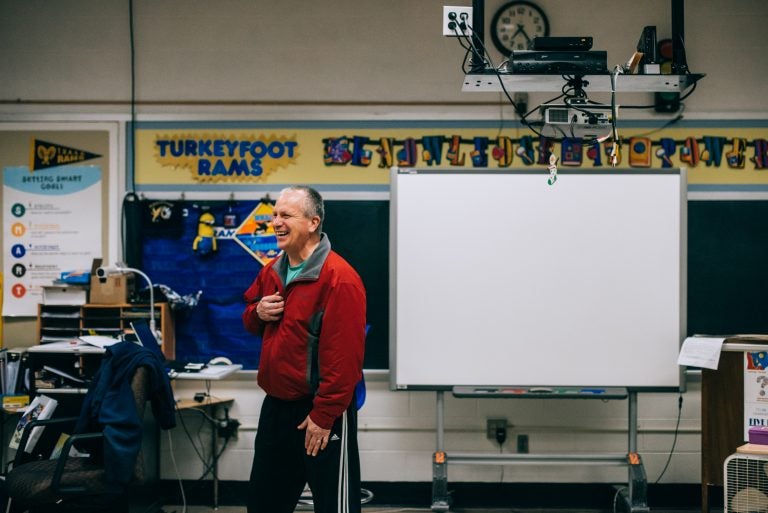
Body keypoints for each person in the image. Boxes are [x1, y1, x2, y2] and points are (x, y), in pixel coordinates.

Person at [242, 185, 366, 513]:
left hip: (322, 413)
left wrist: (323, 417)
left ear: (313, 222)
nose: (276, 222)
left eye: (286, 215)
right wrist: (257, 312)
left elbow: (345, 360)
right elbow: (251, 318)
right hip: (277, 409)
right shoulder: (272, 271)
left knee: (334, 507)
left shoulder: (340, 279)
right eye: (275, 215)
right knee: (264, 504)